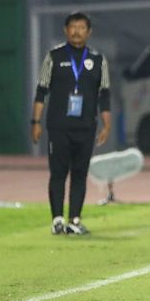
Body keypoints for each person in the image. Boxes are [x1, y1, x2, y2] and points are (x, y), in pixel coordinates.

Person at [31, 12, 111, 235]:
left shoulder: (97, 60)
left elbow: (104, 94)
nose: (76, 31)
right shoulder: (54, 56)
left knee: (79, 173)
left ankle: (74, 220)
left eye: (81, 27)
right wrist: (35, 121)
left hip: (86, 126)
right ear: (66, 30)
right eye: (72, 27)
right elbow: (41, 91)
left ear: (89, 32)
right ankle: (57, 220)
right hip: (58, 126)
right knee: (58, 172)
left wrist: (106, 125)